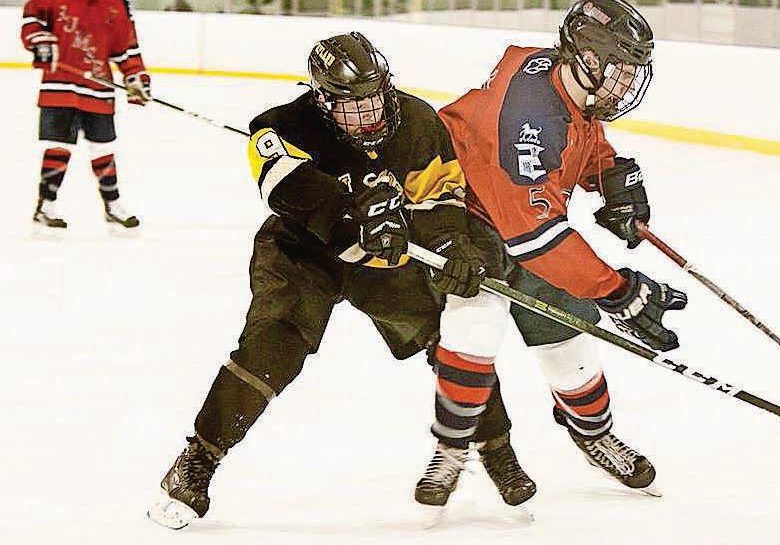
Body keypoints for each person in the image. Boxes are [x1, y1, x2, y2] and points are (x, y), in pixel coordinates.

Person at [147, 32, 535, 530]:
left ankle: (497, 449)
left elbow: (439, 195)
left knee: (451, 336)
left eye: (374, 99)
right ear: (322, 101)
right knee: (273, 346)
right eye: (351, 107)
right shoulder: (279, 127)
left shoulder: (418, 121)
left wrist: (451, 247)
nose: (368, 115)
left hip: (385, 258)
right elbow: (287, 188)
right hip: (303, 254)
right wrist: (353, 214)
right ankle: (198, 459)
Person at [413, 0, 687, 509]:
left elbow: (577, 135)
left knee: (571, 349)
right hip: (469, 221)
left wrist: (608, 175)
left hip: (523, 217)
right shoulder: (529, 122)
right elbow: (535, 238)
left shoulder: (560, 77)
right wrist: (618, 291)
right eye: (620, 69)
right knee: (475, 328)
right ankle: (450, 448)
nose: (628, 83)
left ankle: (595, 437)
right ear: (587, 57)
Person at [20, 0, 149, 234]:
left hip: (97, 88)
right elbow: (32, 17)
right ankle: (46, 205)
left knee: (103, 148)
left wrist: (135, 77)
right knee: (59, 146)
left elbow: (126, 47)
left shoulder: (117, 0)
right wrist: (40, 41)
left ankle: (112, 205)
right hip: (60, 85)